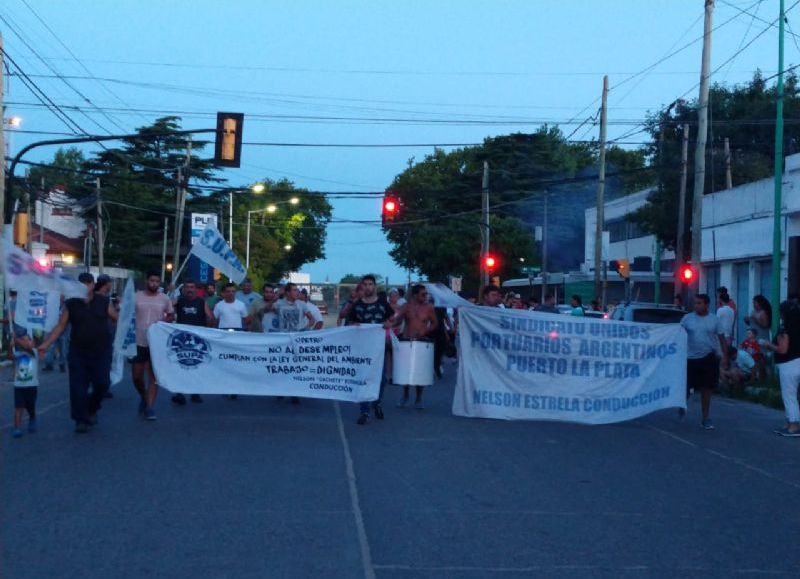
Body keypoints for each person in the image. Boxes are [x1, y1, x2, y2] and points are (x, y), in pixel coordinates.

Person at [38, 272, 119, 433]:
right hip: (78, 352)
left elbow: (117, 319)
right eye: (81, 284)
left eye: (88, 284)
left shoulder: (103, 301)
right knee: (77, 388)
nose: (84, 287)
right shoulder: (71, 304)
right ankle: (80, 420)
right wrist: (45, 345)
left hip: (101, 351)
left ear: (92, 285)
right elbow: (61, 326)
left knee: (102, 384)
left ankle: (92, 408)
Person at [347, 275, 393, 425]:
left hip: (379, 348)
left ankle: (376, 401)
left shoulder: (383, 304)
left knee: (381, 379)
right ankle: (364, 411)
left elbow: (392, 318)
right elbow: (349, 322)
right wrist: (354, 326)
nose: (368, 287)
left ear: (375, 286)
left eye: (370, 284)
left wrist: (388, 324)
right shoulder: (357, 305)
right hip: (363, 348)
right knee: (364, 378)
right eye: (365, 284)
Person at [680, 294, 728, 430]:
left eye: (699, 303)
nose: (696, 306)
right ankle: (681, 403)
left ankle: (705, 417)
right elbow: (677, 335)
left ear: (707, 305)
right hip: (690, 358)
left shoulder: (715, 320)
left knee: (706, 389)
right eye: (695, 303)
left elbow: (722, 339)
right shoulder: (687, 319)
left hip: (708, 358)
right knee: (687, 387)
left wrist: (724, 357)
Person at [132, 271, 174, 420]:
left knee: (153, 376)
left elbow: (170, 315)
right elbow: (126, 314)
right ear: (146, 281)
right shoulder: (136, 296)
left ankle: (150, 407)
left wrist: (164, 324)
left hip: (156, 343)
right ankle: (144, 396)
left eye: (157, 281)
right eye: (152, 281)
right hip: (138, 341)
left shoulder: (164, 298)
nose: (154, 284)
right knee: (136, 376)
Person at [393, 285, 439, 409]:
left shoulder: (429, 308)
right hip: (407, 340)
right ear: (415, 295)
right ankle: (405, 395)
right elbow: (397, 320)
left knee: (420, 371)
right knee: (406, 371)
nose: (426, 296)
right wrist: (390, 322)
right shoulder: (406, 306)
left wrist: (426, 330)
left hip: (422, 341)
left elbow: (435, 323)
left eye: (426, 294)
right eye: (423, 294)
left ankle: (419, 398)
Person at [760, 300, 800, 437]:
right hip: (798, 361)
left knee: (789, 395)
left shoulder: (786, 328)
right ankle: (789, 422)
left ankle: (794, 425)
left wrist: (768, 345)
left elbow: (783, 349)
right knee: (792, 395)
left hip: (788, 364)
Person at [172, 279, 213, 405]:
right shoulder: (179, 300)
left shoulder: (201, 302)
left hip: (197, 339)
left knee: (196, 366)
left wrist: (209, 329)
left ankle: (196, 393)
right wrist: (171, 292)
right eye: (187, 287)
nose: (190, 289)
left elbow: (210, 317)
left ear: (196, 289)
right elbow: (167, 307)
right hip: (182, 339)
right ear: (184, 289)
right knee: (181, 366)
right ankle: (179, 393)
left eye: (192, 287)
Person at [10, 325, 39, 438]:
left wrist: (16, 338)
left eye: (27, 340)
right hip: (19, 385)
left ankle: (32, 417)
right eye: (22, 340)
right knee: (18, 407)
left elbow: (28, 348)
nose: (24, 342)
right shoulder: (18, 354)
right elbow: (9, 356)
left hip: (31, 385)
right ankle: (17, 428)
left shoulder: (34, 352)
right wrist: (11, 345)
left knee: (30, 406)